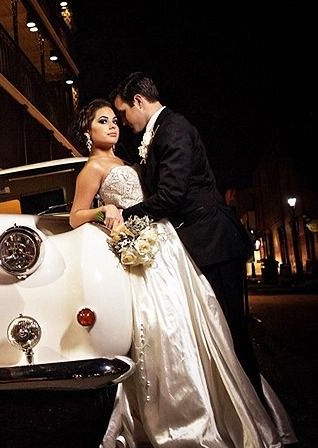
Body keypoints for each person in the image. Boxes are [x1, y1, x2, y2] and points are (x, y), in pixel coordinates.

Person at [68, 98, 296, 448]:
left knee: (199, 324)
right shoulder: (90, 169)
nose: (113, 126)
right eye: (103, 121)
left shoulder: (125, 162)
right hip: (142, 255)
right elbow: (76, 216)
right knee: (161, 330)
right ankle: (179, 425)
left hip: (167, 246)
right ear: (87, 131)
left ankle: (222, 416)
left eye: (115, 120)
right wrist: (102, 211)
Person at [110, 72, 262, 398]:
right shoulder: (162, 131)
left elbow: (171, 195)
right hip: (199, 242)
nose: (123, 121)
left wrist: (127, 214)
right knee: (218, 333)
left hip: (213, 240)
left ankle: (256, 413)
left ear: (139, 101)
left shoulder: (173, 130)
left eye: (123, 112)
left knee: (232, 331)